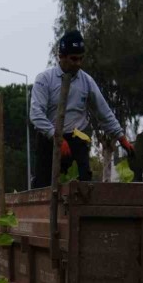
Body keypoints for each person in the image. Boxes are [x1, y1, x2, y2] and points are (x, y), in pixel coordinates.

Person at [30, 30, 135, 188]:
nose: (78, 63)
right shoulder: (44, 80)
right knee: (44, 186)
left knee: (84, 183)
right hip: (49, 139)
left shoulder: (86, 81)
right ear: (61, 56)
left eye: (81, 59)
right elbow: (36, 115)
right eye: (73, 59)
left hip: (76, 138)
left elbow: (103, 112)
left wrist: (122, 138)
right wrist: (57, 138)